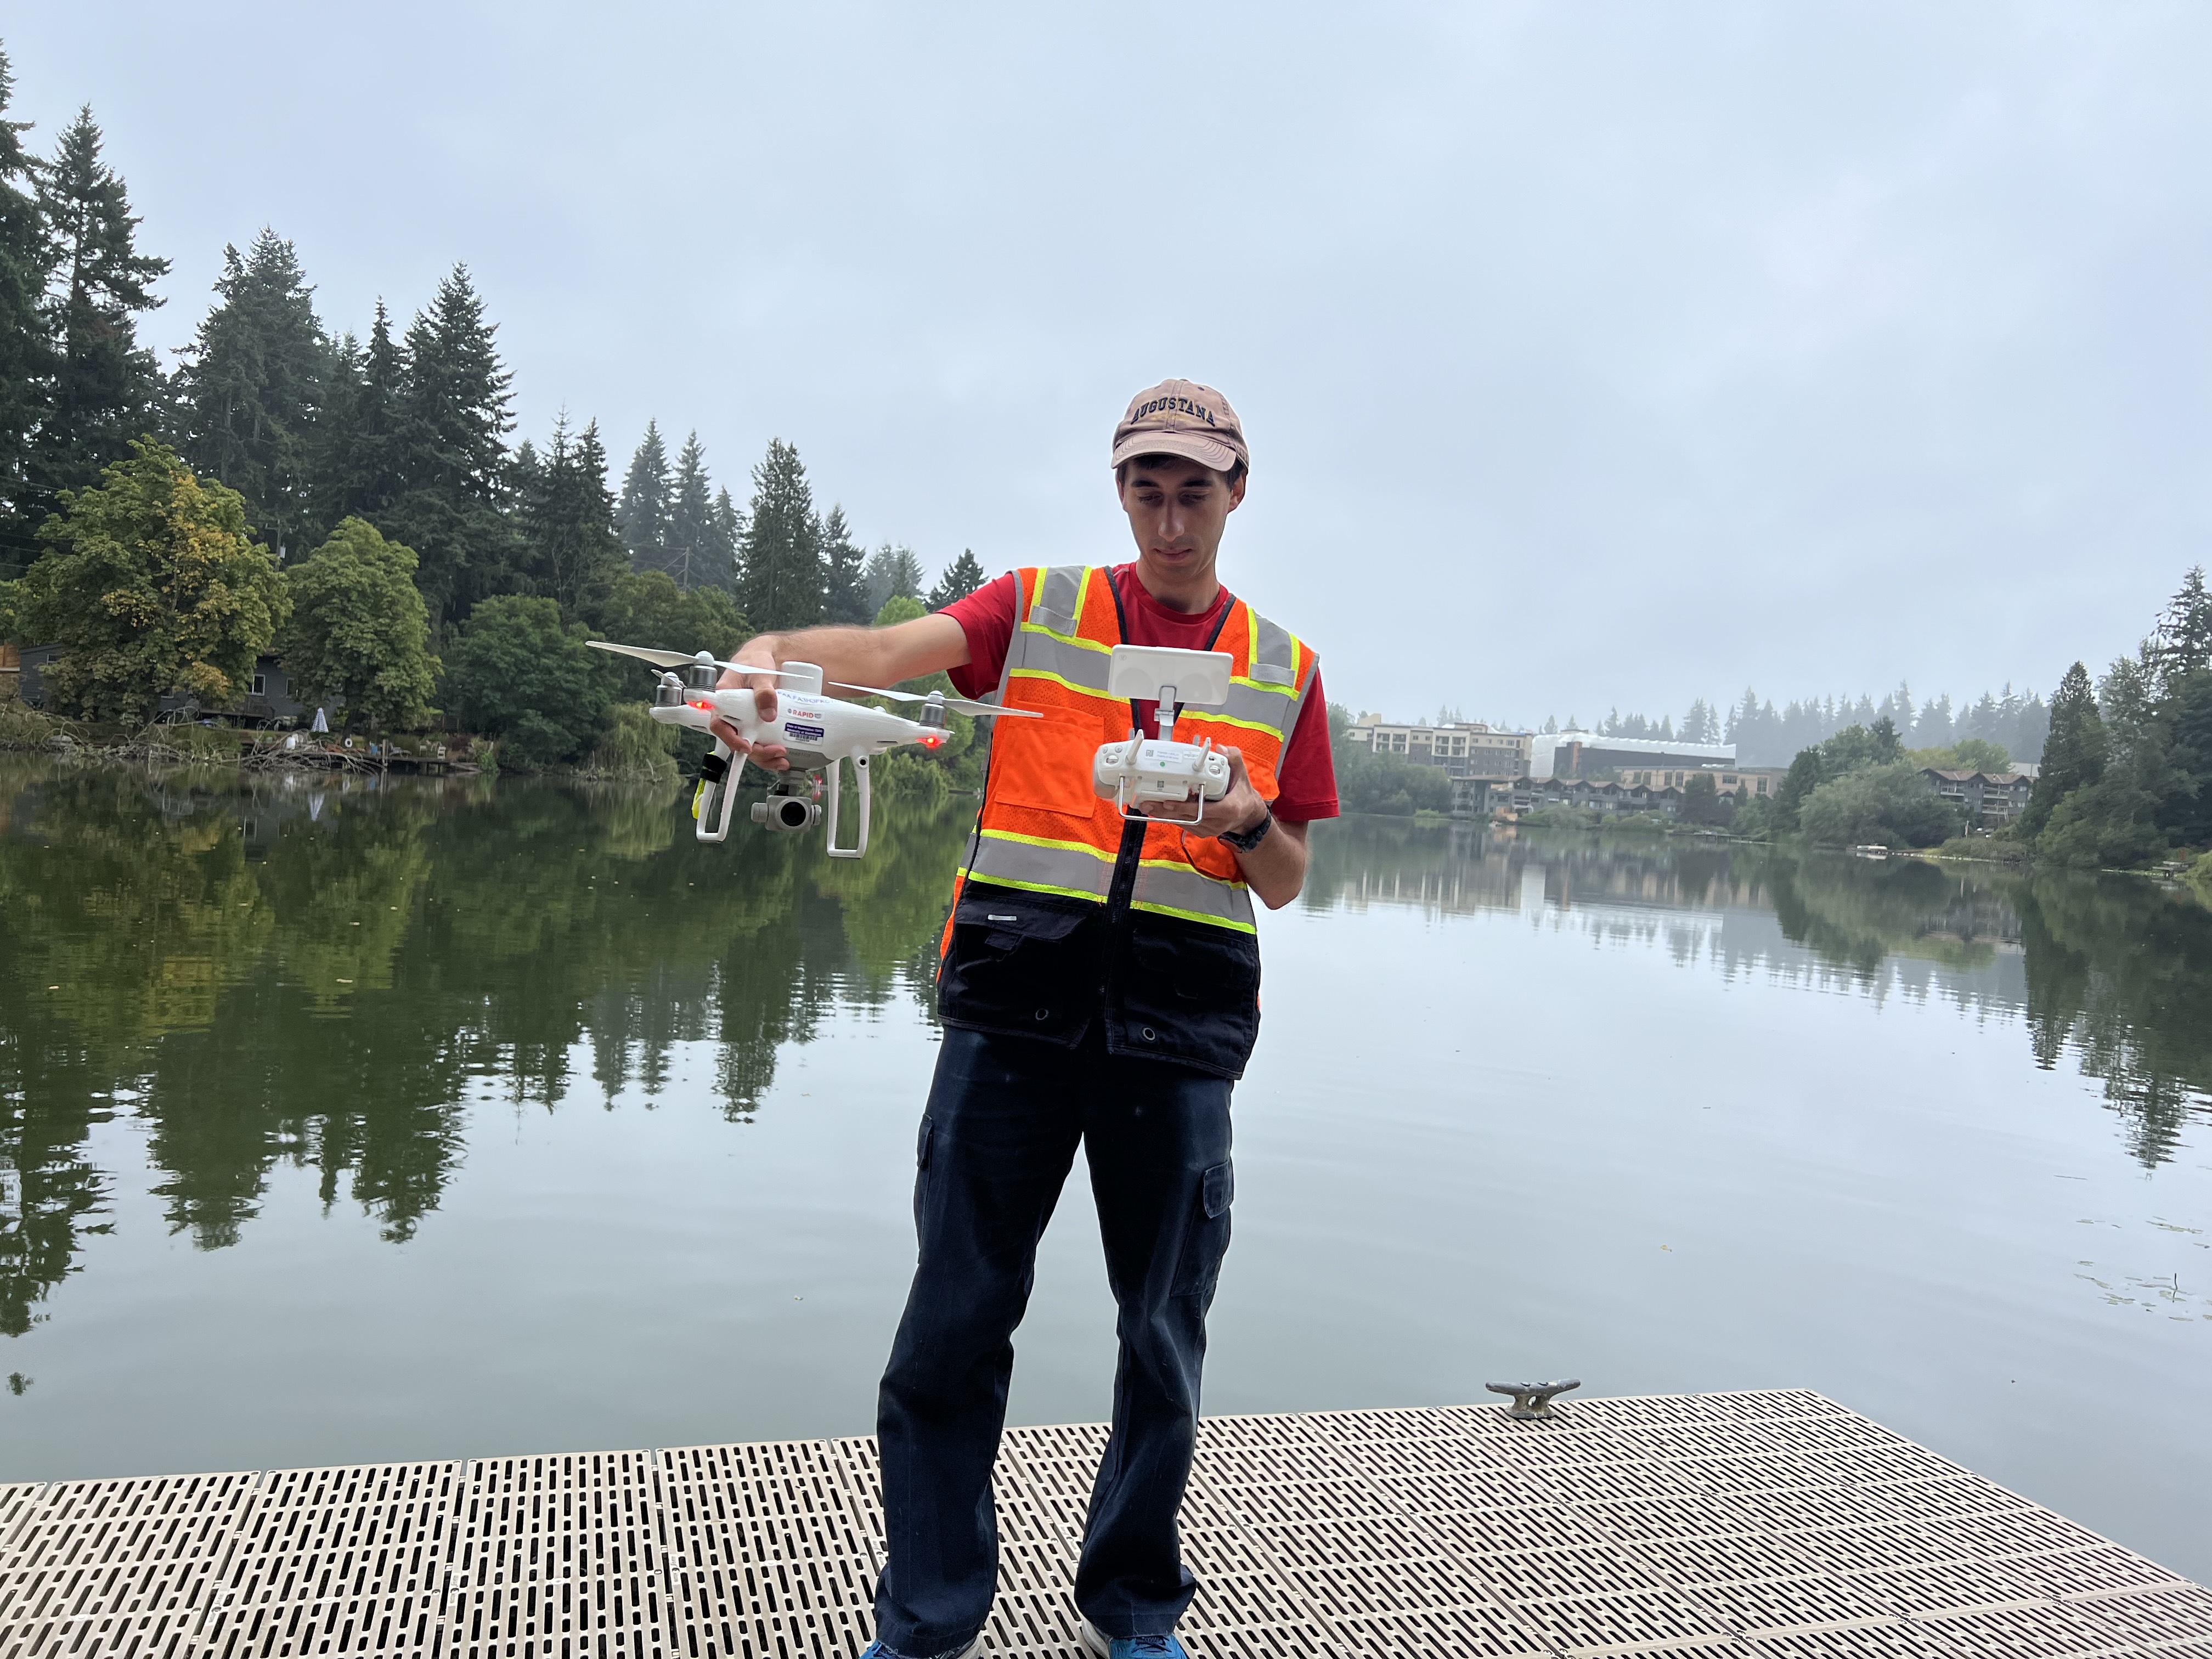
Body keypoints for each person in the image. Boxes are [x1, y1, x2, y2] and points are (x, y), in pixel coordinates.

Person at [713, 380, 1336, 1659]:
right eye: (1148, 490)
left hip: (1178, 1035)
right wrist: (770, 655)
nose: (1171, 521)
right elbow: (888, 658)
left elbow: (1289, 879)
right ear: (1123, 492)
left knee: (1162, 1335)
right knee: (952, 1323)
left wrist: (1239, 817)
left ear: (1237, 494)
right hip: (1012, 1014)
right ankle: (930, 1621)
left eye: (1195, 492)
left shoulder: (1284, 670)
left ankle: (1134, 1610)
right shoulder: (1039, 607)